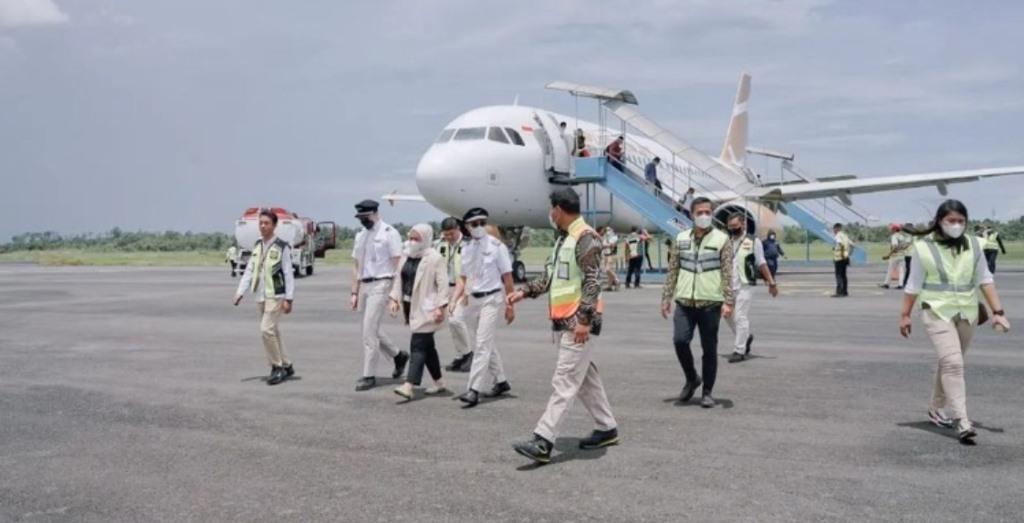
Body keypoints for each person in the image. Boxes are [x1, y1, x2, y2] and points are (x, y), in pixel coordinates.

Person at [508, 188, 619, 464]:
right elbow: (549, 278)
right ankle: (607, 428)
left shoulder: (586, 238)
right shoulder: (564, 240)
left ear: (558, 209)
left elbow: (593, 282)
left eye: (551, 209)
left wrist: (583, 321)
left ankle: (543, 440)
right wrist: (523, 292)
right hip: (566, 322)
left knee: (565, 380)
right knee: (584, 380)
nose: (550, 214)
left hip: (578, 324)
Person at [900, 199, 1011, 444]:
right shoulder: (923, 248)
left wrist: (998, 311)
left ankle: (935, 407)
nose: (956, 225)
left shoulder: (975, 245)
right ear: (940, 222)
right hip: (936, 311)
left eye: (961, 221)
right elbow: (913, 285)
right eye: (951, 220)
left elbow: (985, 280)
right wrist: (905, 315)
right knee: (953, 364)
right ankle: (962, 420)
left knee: (951, 361)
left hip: (967, 313)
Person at [661, 197, 735, 408]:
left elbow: (727, 273)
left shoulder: (722, 239)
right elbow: (673, 270)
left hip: (710, 302)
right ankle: (692, 377)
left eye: (708, 212)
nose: (705, 216)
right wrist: (666, 298)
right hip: (684, 301)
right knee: (680, 341)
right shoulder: (681, 238)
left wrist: (728, 301)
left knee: (709, 349)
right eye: (700, 212)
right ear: (692, 215)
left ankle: (708, 392)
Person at [450, 207, 516, 408]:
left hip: (491, 299)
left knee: (482, 343)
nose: (479, 227)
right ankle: (501, 380)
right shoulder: (467, 248)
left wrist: (510, 305)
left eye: (482, 223)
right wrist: (455, 299)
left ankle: (473, 390)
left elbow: (507, 278)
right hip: (472, 298)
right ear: (467, 227)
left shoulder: (497, 247)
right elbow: (464, 278)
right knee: (454, 320)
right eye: (474, 224)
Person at [233, 209, 296, 386]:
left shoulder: (282, 247)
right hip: (261, 294)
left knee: (265, 330)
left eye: (266, 223)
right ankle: (287, 364)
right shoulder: (258, 245)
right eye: (260, 223)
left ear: (274, 225)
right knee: (273, 331)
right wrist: (240, 292)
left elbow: (288, 274)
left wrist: (289, 299)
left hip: (276, 294)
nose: (262, 226)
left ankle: (277, 367)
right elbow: (250, 270)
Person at [351, 200, 409, 391]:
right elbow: (356, 265)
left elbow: (398, 263)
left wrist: (395, 292)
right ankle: (398, 355)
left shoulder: (389, 233)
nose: (362, 221)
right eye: (360, 218)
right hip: (365, 285)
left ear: (375, 212)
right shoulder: (360, 236)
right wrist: (354, 291)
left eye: (365, 217)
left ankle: (369, 375)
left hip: (382, 283)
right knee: (371, 328)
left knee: (368, 331)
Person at [389, 224, 450, 400]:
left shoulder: (434, 258)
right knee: (427, 348)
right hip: (411, 306)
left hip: (428, 308)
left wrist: (441, 307)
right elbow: (399, 279)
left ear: (426, 239)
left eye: (417, 239)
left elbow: (443, 285)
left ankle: (409, 385)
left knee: (417, 345)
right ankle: (439, 382)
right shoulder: (406, 255)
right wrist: (394, 299)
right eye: (411, 238)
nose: (412, 242)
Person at [723, 214, 779, 363]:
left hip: (746, 284)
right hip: (730, 285)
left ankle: (739, 350)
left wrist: (771, 282)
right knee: (727, 315)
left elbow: (761, 263)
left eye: (735, 226)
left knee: (741, 316)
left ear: (743, 224)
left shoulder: (754, 242)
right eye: (730, 227)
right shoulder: (727, 242)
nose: (733, 229)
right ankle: (746, 338)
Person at [436, 217, 473, 372]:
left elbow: (472, 271)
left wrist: (467, 292)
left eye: (451, 234)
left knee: (456, 320)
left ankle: (468, 354)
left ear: (458, 229)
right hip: (447, 288)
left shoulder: (468, 246)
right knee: (451, 324)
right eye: (446, 234)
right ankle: (460, 355)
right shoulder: (441, 246)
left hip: (462, 288)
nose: (449, 237)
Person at [880, 224, 911, 289]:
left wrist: (888, 255)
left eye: (892, 229)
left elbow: (895, 246)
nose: (891, 230)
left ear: (894, 229)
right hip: (902, 255)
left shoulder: (894, 236)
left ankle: (886, 284)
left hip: (895, 255)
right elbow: (905, 246)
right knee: (901, 271)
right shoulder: (902, 236)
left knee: (890, 269)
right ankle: (900, 284)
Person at [832, 223, 851, 297]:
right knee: (844, 275)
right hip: (845, 258)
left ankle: (839, 292)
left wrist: (842, 254)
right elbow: (852, 245)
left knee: (839, 275)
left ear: (837, 228)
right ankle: (845, 291)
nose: (833, 231)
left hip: (839, 258)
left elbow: (840, 244)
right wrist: (848, 255)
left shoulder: (838, 235)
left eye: (834, 229)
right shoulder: (845, 236)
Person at [599, 226, 620, 291]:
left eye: (609, 230)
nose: (607, 231)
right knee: (608, 272)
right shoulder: (604, 237)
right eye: (607, 230)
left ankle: (617, 280)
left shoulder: (614, 237)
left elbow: (611, 245)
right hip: (606, 255)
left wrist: (604, 246)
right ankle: (610, 286)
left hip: (611, 255)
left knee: (608, 269)